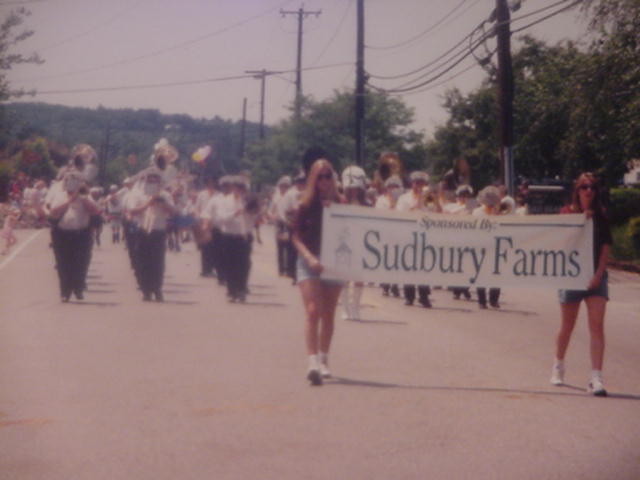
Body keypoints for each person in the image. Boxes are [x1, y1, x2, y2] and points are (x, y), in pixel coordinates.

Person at [551, 172, 612, 396]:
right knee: (568, 325)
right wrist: (579, 222)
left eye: (593, 188)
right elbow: (562, 245)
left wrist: (599, 274)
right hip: (572, 275)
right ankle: (558, 364)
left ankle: (596, 377)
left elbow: (606, 246)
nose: (589, 191)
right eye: (584, 187)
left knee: (596, 325)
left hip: (595, 275)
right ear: (577, 191)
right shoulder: (567, 213)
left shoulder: (602, 215)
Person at [291, 158, 344, 386]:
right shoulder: (305, 204)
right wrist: (309, 257)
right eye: (320, 176)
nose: (324, 180)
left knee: (328, 313)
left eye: (328, 175)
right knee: (313, 311)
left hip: (334, 262)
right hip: (309, 260)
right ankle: (312, 362)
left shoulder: (340, 203)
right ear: (313, 178)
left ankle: (324, 359)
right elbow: (295, 236)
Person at [48, 170, 100, 302]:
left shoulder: (85, 196)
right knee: (63, 264)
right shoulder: (60, 196)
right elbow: (53, 211)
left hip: (81, 234)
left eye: (75, 182)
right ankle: (65, 292)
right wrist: (69, 200)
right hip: (62, 234)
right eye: (69, 182)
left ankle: (78, 289)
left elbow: (96, 210)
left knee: (81, 263)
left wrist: (83, 198)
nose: (72, 185)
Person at [127, 167, 175, 301]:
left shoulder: (165, 194)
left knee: (158, 262)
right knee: (142, 262)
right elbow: (132, 211)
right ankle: (145, 290)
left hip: (158, 230)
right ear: (145, 179)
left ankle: (157, 289)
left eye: (156, 177)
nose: (153, 179)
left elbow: (173, 211)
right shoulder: (137, 194)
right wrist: (148, 203)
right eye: (150, 177)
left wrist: (163, 203)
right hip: (142, 230)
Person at [396, 171, 438, 308]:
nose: (418, 186)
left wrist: (435, 199)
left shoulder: (429, 198)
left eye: (421, 183)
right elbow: (402, 215)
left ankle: (424, 296)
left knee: (424, 267)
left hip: (425, 235)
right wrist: (418, 201)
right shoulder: (404, 198)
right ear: (412, 184)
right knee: (409, 266)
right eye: (416, 183)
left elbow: (437, 214)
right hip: (408, 235)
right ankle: (409, 296)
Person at [340, 165, 369, 321]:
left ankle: (356, 308)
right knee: (344, 278)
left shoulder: (367, 204)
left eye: (356, 188)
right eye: (350, 188)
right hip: (344, 243)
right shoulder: (339, 203)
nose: (353, 191)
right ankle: (345, 309)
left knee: (358, 278)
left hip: (361, 243)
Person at [472, 186, 502, 309]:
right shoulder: (477, 212)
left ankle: (494, 299)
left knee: (497, 273)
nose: (490, 202)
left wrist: (497, 215)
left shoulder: (500, 212)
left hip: (496, 246)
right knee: (481, 274)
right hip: (482, 245)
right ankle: (482, 300)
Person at [375, 175, 402, 298]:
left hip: (398, 233)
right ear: (387, 188)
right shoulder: (381, 200)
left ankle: (395, 285)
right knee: (386, 260)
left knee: (396, 260)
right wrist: (391, 204)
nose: (393, 190)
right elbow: (379, 214)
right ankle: (385, 285)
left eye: (395, 187)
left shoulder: (401, 201)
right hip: (385, 232)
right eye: (391, 187)